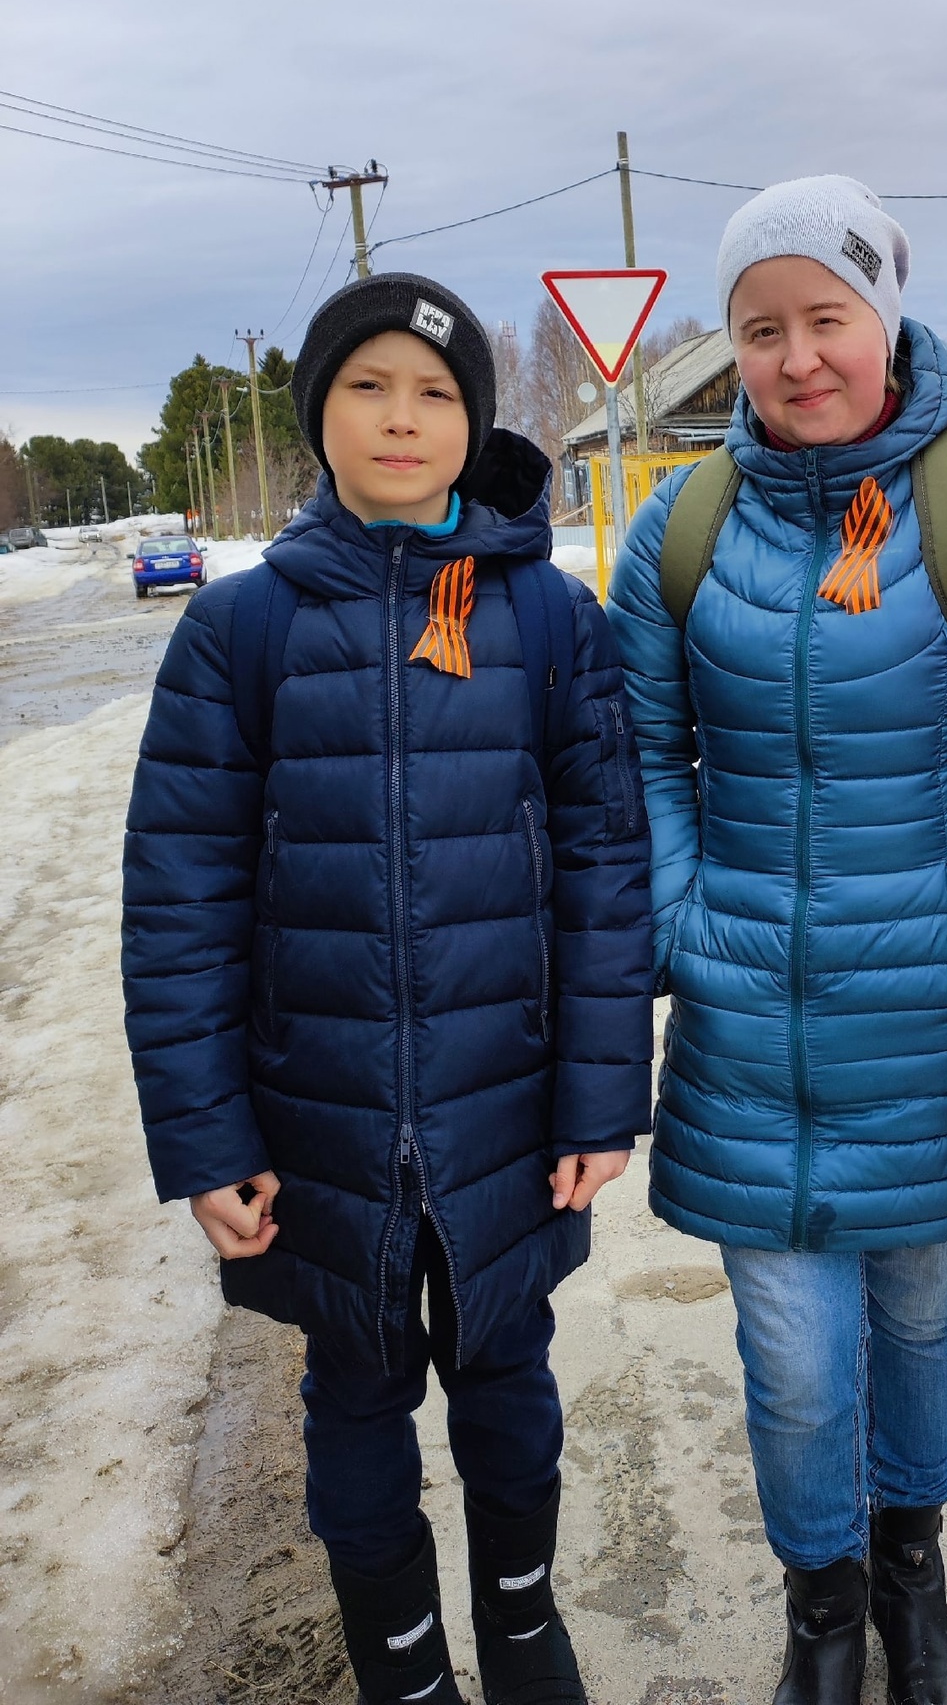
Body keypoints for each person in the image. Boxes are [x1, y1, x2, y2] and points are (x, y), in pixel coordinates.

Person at [123, 272, 655, 1705]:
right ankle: (404, 1667)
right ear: (319, 417)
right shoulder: (239, 636)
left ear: (474, 424)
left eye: (435, 394)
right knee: (352, 1398)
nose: (403, 418)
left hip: (506, 1114)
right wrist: (208, 1137)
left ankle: (527, 1627)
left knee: (508, 1383)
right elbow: (178, 903)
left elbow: (607, 876)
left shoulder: (548, 620)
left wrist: (601, 1098)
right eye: (368, 387)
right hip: (318, 1121)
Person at [606, 175, 947, 1705]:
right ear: (727, 345)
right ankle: (822, 1605)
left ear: (884, 316)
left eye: (827, 317)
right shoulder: (682, 525)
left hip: (933, 1033)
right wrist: (691, 929)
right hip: (751, 1033)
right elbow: (637, 759)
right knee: (799, 1369)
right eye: (761, 329)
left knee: (926, 1322)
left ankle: (909, 1571)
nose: (799, 357)